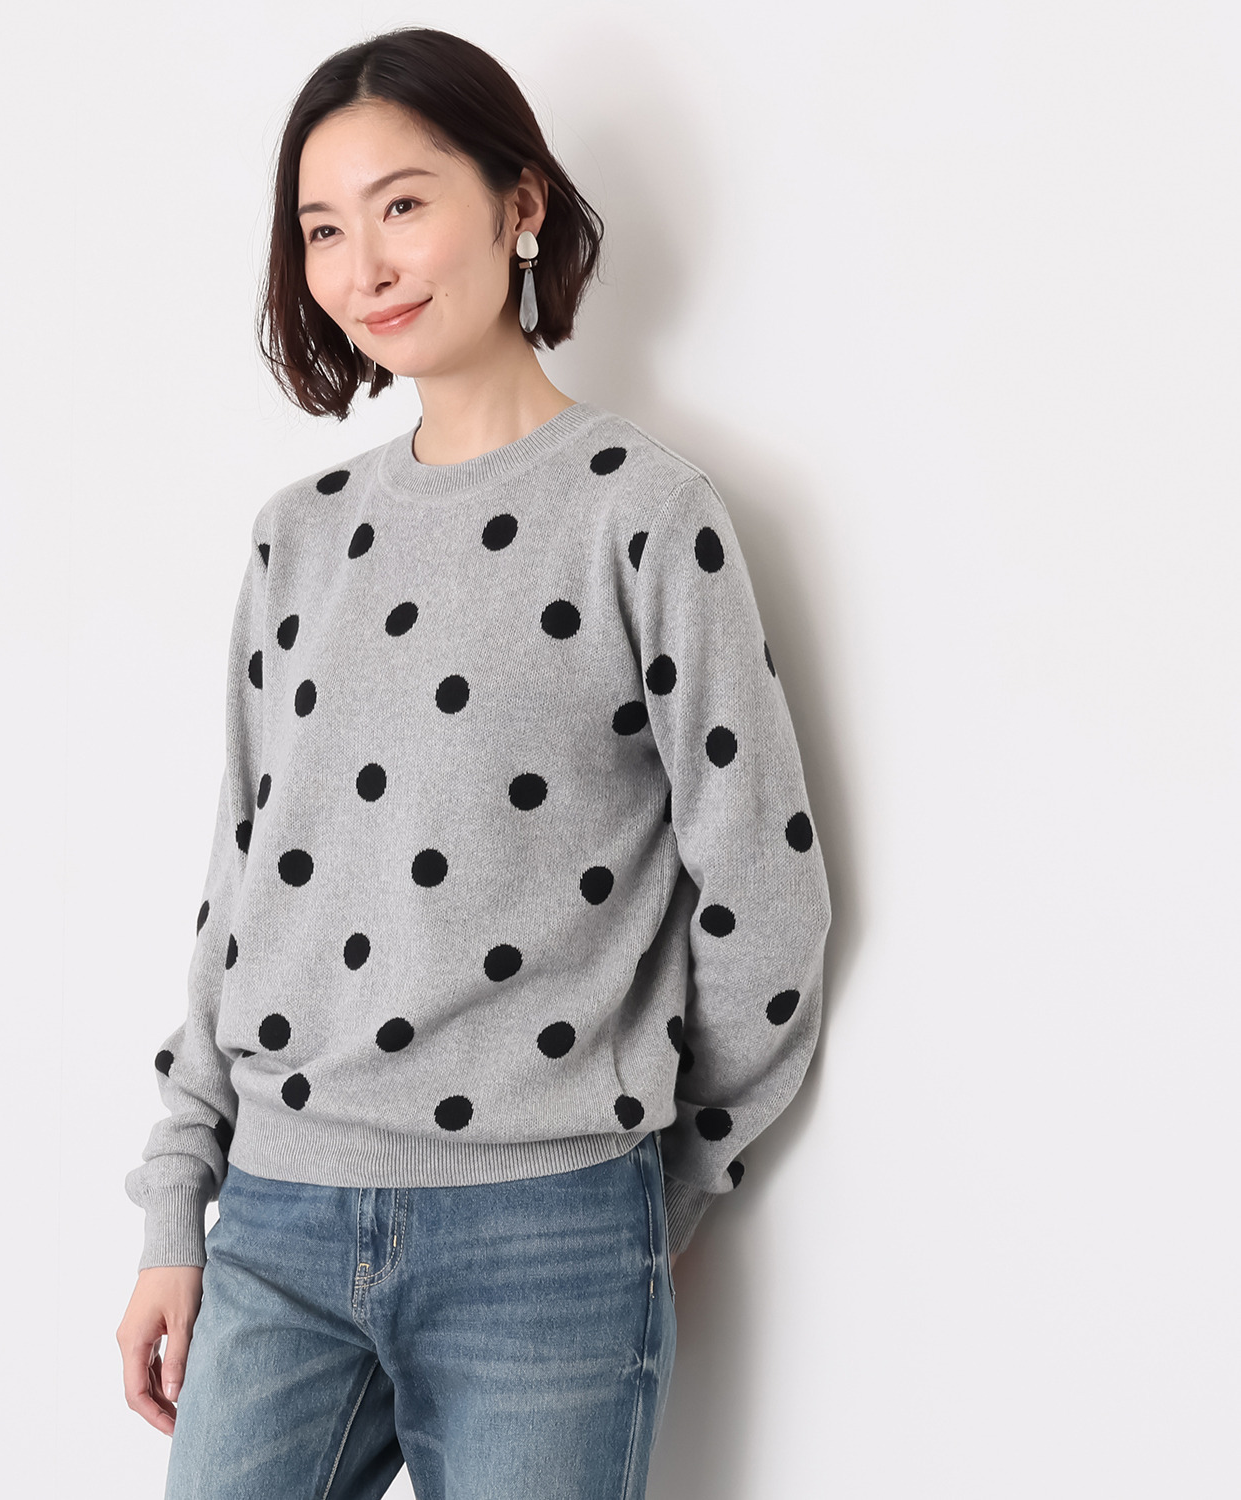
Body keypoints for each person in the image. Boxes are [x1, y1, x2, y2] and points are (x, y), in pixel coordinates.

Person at [115, 26, 831, 1500]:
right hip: (279, 1219)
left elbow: (763, 889)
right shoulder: (297, 538)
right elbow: (246, 889)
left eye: (402, 204)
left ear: (520, 206)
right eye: (323, 228)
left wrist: (655, 1194)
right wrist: (178, 1207)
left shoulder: (643, 514)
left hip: (546, 1232)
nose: (363, 264)